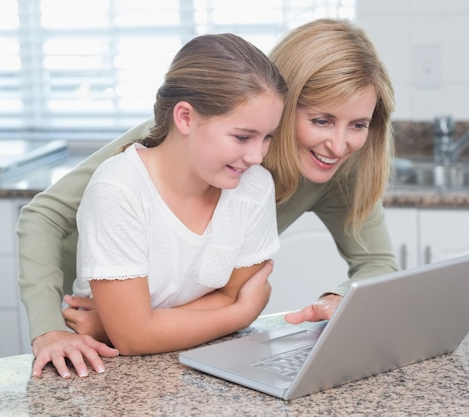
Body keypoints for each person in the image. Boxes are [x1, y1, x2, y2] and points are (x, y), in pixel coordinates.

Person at [17, 18, 397, 379]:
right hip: (84, 308)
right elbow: (44, 216)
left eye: (358, 125)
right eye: (321, 120)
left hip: (159, 320)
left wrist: (339, 299)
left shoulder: (324, 168)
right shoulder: (179, 140)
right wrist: (51, 327)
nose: (339, 144)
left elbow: (377, 262)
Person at [19, 32, 287, 377]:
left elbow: (224, 296)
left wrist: (130, 324)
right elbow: (132, 339)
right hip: (106, 371)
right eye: (242, 137)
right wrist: (241, 313)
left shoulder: (254, 186)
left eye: (267, 137)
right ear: (185, 118)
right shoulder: (119, 188)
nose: (256, 155)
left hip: (199, 370)